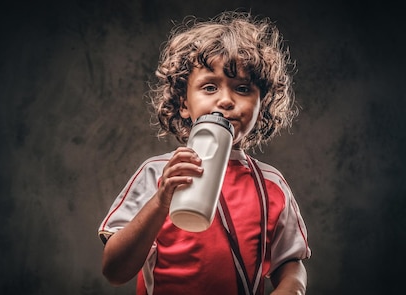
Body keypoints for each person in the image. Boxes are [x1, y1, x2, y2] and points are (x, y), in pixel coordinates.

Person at [98, 11, 311, 295]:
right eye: (209, 87)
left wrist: (292, 289)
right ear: (184, 103)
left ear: (261, 109)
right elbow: (114, 271)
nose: (225, 100)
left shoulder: (272, 184)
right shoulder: (158, 173)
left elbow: (291, 263)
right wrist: (161, 201)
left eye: (243, 88)